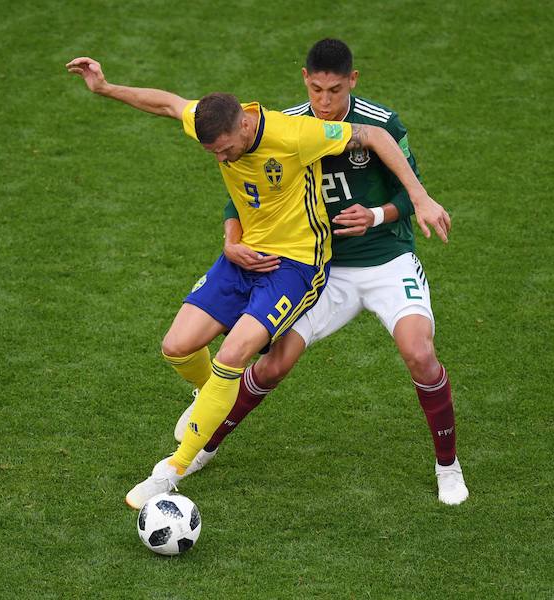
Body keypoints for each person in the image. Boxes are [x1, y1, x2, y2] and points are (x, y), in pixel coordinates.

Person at [65, 55, 452, 509]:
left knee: (235, 355)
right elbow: (169, 104)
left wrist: (420, 198)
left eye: (226, 149)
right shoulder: (211, 121)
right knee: (176, 347)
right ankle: (207, 394)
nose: (220, 157)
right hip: (245, 255)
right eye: (214, 151)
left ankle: (171, 470)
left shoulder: (294, 134)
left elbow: (375, 135)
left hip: (296, 265)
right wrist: (106, 88)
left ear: (246, 127)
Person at [174, 39, 469, 505]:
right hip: (322, 268)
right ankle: (203, 446)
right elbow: (243, 193)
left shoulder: (380, 123)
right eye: (316, 90)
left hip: (385, 260)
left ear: (353, 81)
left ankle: (448, 466)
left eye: (334, 90)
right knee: (272, 365)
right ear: (305, 81)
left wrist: (377, 215)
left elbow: (407, 196)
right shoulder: (287, 126)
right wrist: (234, 238)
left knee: (419, 353)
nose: (325, 103)